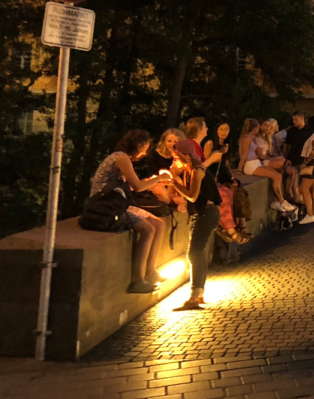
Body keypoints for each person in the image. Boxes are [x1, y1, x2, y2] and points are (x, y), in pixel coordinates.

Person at [89, 131, 171, 293]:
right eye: (145, 148)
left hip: (115, 202)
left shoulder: (121, 158)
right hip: (106, 206)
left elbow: (131, 187)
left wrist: (150, 181)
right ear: (139, 145)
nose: (145, 153)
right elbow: (138, 188)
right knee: (148, 229)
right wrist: (159, 179)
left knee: (159, 224)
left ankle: (151, 272)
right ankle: (138, 280)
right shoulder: (122, 158)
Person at [169, 140, 223, 310]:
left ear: (186, 156)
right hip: (202, 214)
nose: (175, 160)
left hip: (206, 214)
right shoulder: (192, 170)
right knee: (197, 254)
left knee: (194, 254)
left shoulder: (197, 172)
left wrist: (173, 182)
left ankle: (194, 296)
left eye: (176, 157)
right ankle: (198, 294)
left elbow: (192, 196)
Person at [239, 118, 294, 212]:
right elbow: (244, 156)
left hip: (256, 164)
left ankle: (278, 201)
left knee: (278, 175)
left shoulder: (251, 138)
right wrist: (240, 169)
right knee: (277, 176)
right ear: (256, 128)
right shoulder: (247, 139)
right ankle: (281, 201)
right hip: (251, 165)